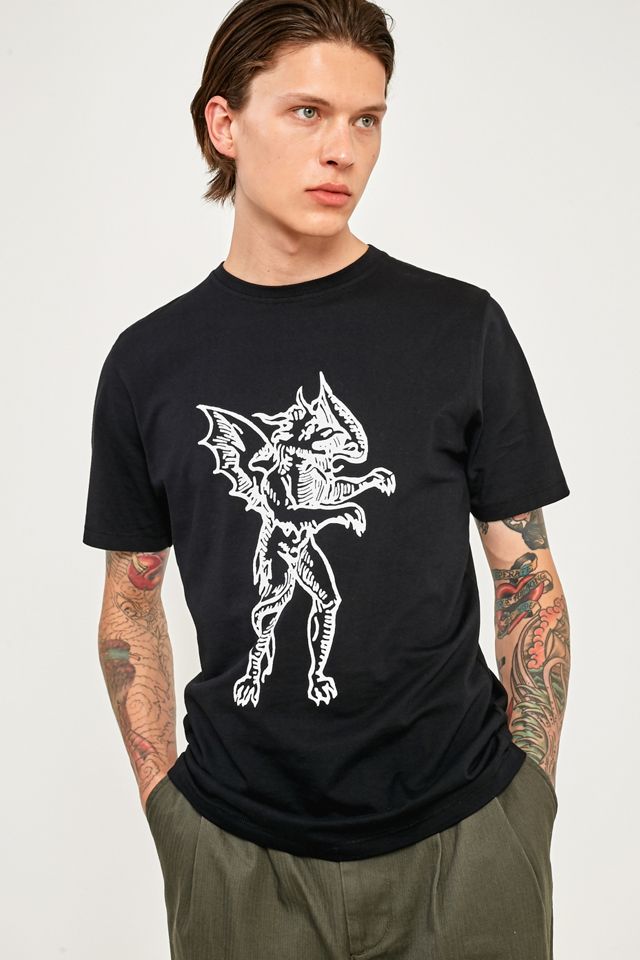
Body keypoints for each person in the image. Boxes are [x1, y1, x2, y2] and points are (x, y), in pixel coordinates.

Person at [82, 1, 571, 957]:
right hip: (236, 854)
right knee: (287, 606)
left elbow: (527, 575)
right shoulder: (150, 364)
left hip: (469, 839)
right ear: (224, 124)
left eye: (366, 118)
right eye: (307, 112)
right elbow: (130, 603)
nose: (342, 150)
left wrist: (529, 800)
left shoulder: (459, 329)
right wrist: (169, 812)